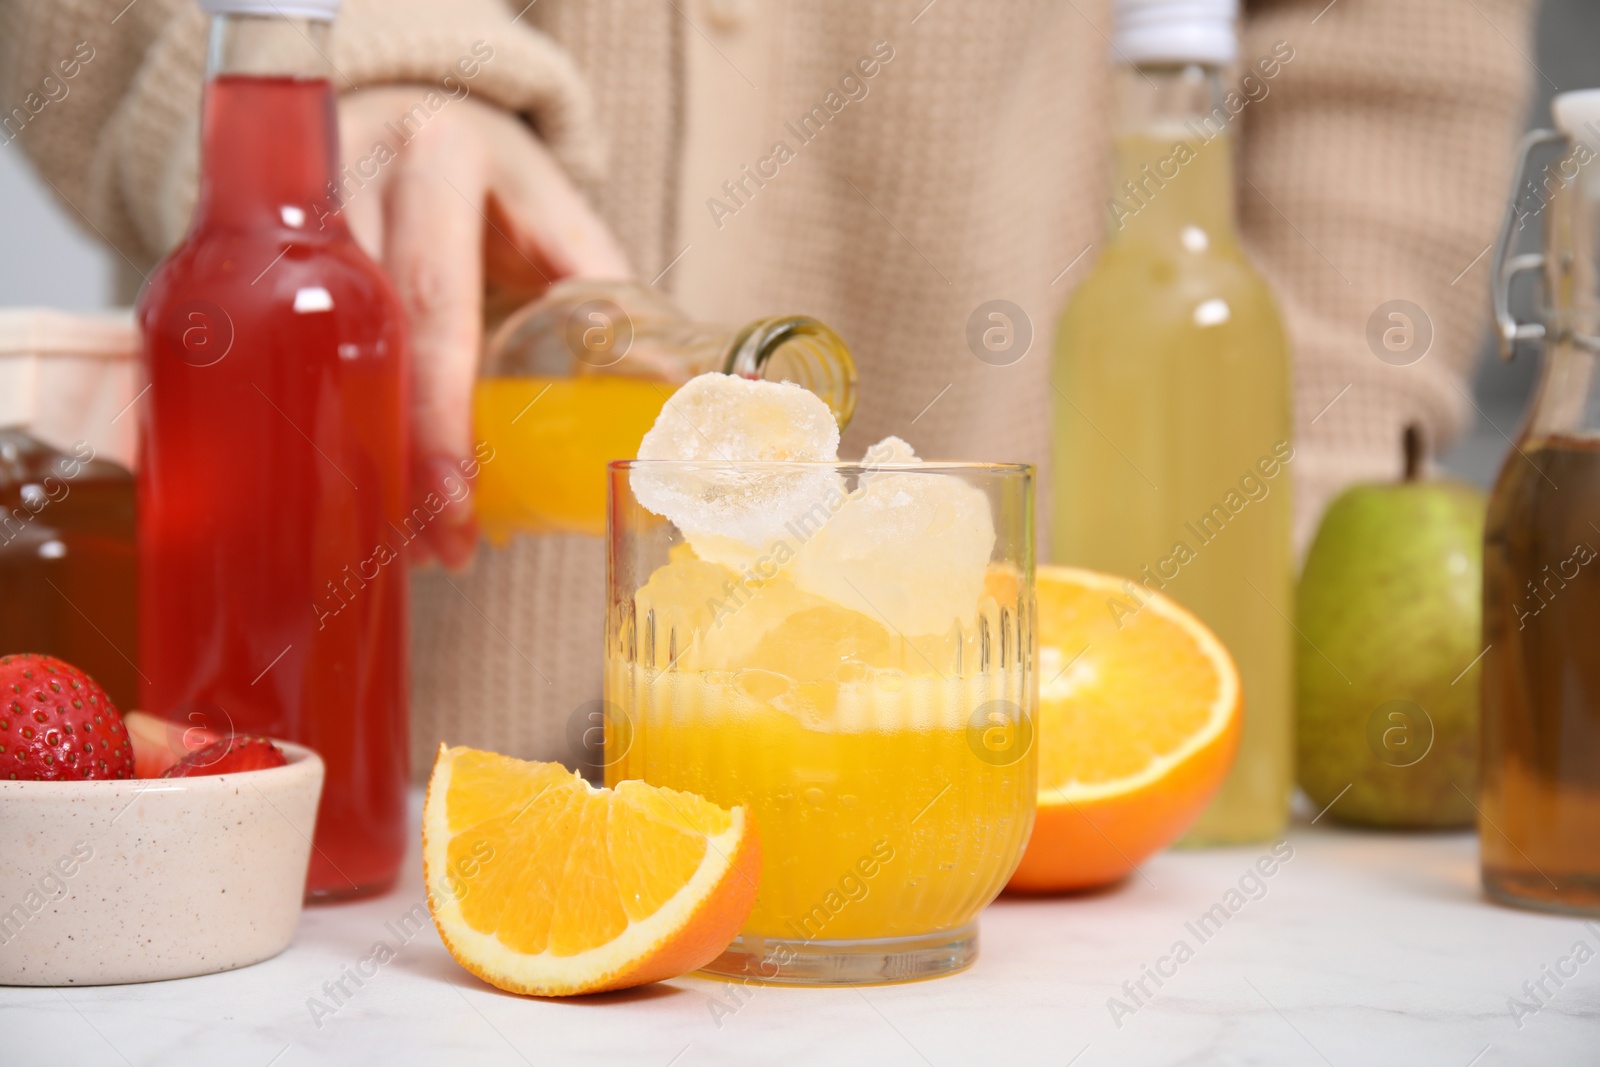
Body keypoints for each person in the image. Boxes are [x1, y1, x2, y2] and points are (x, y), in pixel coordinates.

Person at [0, 0, 1536, 771]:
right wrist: (355, 64)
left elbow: (1378, 42)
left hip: (991, 737)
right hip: (361, 698)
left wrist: (1303, 501)